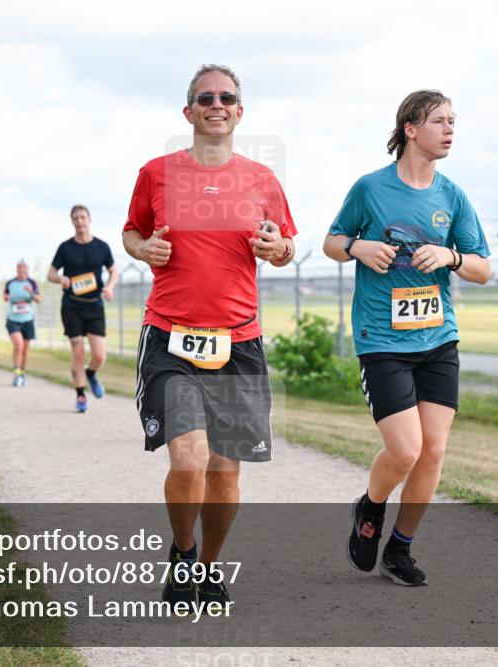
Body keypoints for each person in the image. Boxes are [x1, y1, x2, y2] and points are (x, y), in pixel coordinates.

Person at [122, 64, 297, 608]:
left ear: (239, 111)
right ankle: (182, 553)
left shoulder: (262, 180)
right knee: (190, 459)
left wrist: (278, 249)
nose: (215, 105)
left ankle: (208, 566)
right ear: (189, 111)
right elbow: (132, 231)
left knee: (224, 471)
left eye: (226, 97)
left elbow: (287, 244)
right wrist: (142, 249)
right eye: (205, 98)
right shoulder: (156, 173)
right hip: (171, 337)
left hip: (238, 341)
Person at [324, 90, 492, 586]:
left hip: (437, 339)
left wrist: (451, 257)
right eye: (439, 121)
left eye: (453, 121)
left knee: (433, 451)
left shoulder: (452, 196)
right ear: (410, 129)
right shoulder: (370, 188)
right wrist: (358, 247)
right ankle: (371, 506)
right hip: (382, 340)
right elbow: (331, 242)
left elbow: (483, 268)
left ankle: (400, 549)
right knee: (405, 451)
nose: (450, 129)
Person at [48, 205, 119, 412]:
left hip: (94, 305)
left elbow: (113, 271)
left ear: (89, 219)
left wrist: (109, 287)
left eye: (82, 217)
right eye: (76, 218)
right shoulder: (65, 248)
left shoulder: (102, 247)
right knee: (77, 350)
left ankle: (91, 373)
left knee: (99, 355)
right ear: (72, 221)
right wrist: (60, 279)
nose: (79, 221)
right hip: (71, 305)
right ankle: (80, 396)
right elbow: (50, 274)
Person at [4, 260, 41, 387]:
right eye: (20, 269)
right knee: (18, 345)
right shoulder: (10, 283)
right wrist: (7, 298)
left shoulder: (32, 283)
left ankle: (22, 374)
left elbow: (38, 299)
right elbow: (5, 296)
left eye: (24, 269)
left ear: (27, 270)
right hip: (13, 319)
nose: (22, 272)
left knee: (25, 350)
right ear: (17, 269)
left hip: (27, 319)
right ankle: (16, 373)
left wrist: (31, 292)